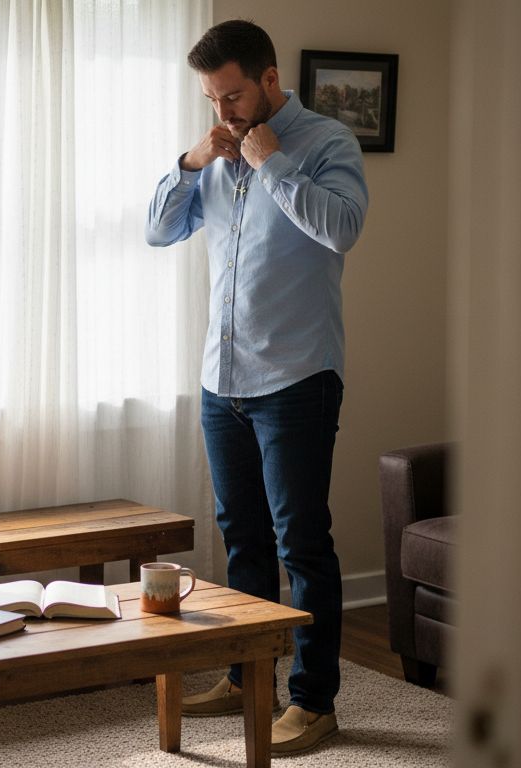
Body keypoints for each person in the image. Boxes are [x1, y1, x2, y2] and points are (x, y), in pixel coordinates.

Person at [144, 18, 368, 755]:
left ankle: (314, 700)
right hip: (223, 378)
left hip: (298, 378)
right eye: (212, 100)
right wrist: (188, 159)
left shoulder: (327, 142)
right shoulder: (212, 153)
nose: (224, 114)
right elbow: (158, 231)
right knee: (241, 539)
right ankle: (249, 680)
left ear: (271, 81)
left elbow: (340, 230)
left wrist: (272, 163)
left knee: (302, 544)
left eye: (233, 96)